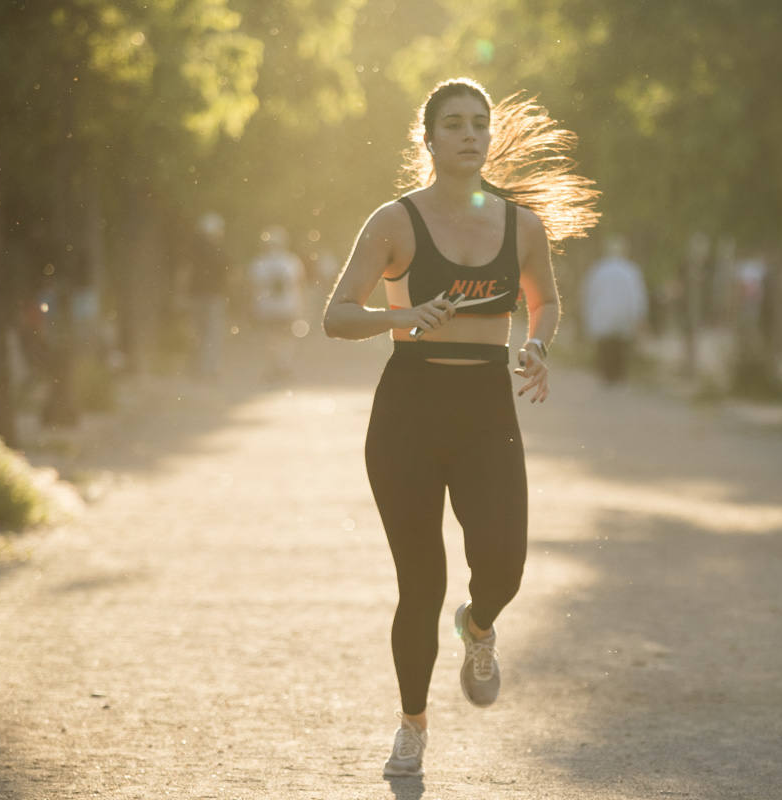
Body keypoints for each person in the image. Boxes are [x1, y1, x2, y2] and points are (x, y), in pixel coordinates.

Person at [322, 77, 598, 779]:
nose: (470, 134)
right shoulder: (394, 222)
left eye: (480, 123)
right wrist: (399, 317)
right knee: (421, 582)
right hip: (408, 410)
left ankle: (479, 627)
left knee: (504, 564)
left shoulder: (521, 227)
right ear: (429, 137)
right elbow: (337, 316)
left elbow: (547, 303)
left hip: (485, 409)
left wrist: (538, 346)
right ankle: (412, 725)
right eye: (454, 124)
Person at [582, 235, 648, 384]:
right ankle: (618, 379)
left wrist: (588, 316)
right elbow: (638, 297)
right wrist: (639, 316)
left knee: (605, 348)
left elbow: (589, 294)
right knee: (620, 348)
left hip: (602, 315)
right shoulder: (631, 271)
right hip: (623, 317)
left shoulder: (598, 270)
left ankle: (606, 378)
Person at [247, 226, 305, 378]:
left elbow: (253, 285)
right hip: (287, 306)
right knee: (286, 338)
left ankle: (274, 366)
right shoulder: (291, 261)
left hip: (266, 307)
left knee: (270, 338)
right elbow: (299, 283)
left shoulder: (260, 262)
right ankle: (284, 365)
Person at [190, 212, 230, 377]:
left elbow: (185, 273)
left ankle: (199, 368)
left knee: (199, 333)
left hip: (196, 296)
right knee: (212, 334)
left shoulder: (193, 251)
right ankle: (210, 369)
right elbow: (229, 275)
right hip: (214, 298)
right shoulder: (219, 252)